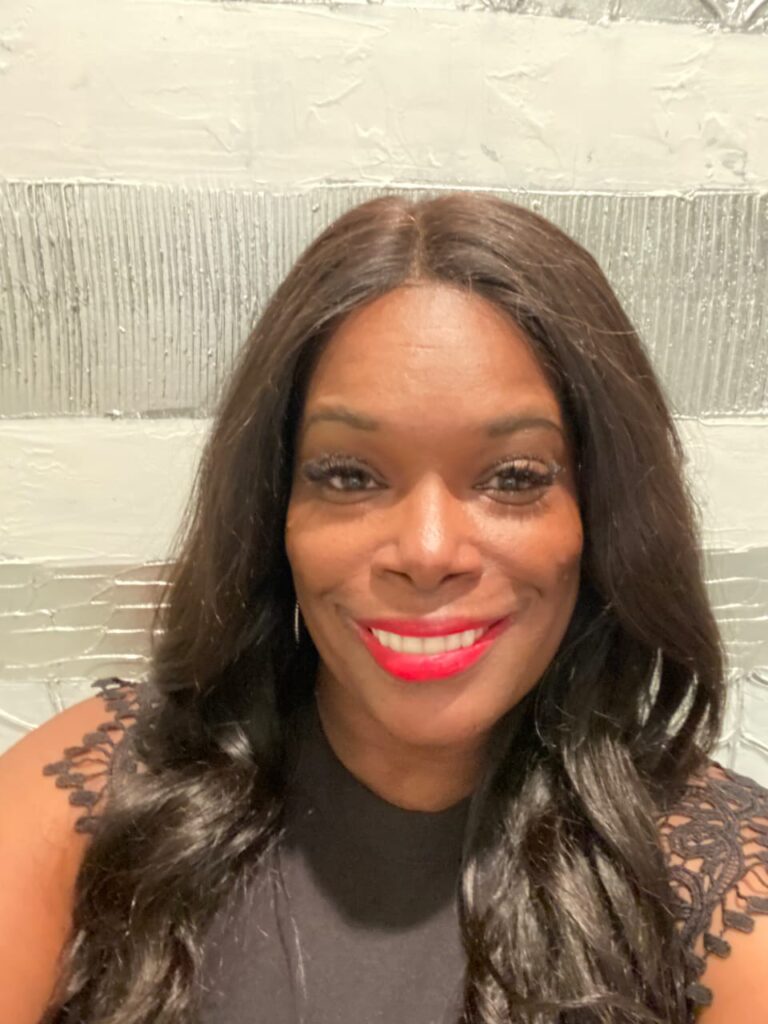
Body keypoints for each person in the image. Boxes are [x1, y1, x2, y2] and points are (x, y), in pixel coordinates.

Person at [1, 192, 767, 1024]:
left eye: (514, 478)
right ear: (275, 511)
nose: (428, 552)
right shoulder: (99, 791)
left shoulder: (719, 887)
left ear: (600, 514)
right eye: (350, 475)